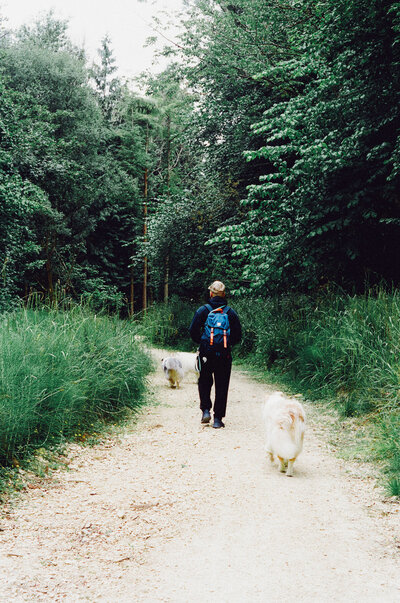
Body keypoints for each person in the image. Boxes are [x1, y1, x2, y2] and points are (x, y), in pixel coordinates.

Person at [189, 280, 242, 428]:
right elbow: (238, 336)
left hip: (206, 353)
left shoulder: (203, 310)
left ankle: (205, 410)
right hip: (224, 355)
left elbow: (192, 331)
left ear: (211, 293)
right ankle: (218, 419)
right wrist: (225, 344)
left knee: (204, 381)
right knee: (222, 384)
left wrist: (203, 342)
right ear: (224, 294)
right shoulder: (230, 313)